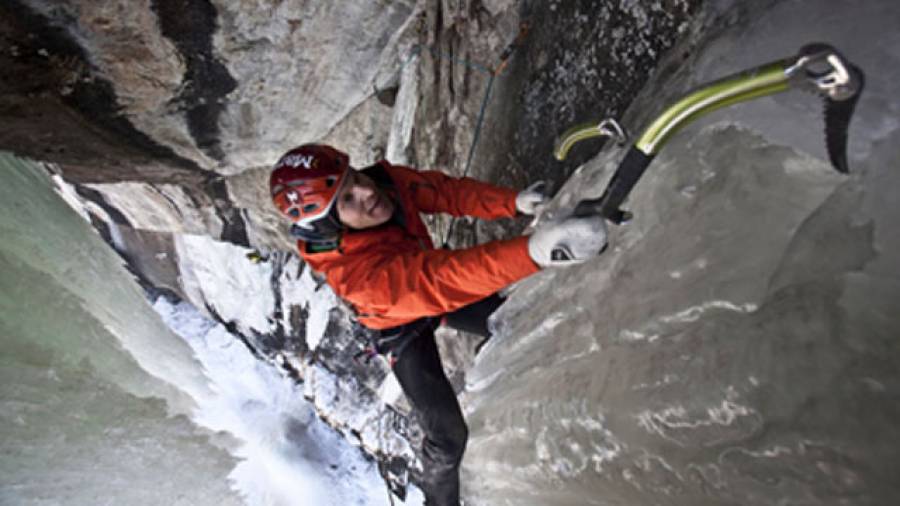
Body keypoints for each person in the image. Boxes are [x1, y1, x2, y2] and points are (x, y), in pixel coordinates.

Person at [269, 144, 607, 506]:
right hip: (400, 325)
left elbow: (446, 192)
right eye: (349, 198)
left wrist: (512, 202)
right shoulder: (355, 277)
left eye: (355, 178)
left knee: (521, 317)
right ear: (331, 226)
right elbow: (437, 280)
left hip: (431, 292)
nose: (368, 192)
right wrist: (532, 253)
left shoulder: (386, 184)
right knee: (447, 438)